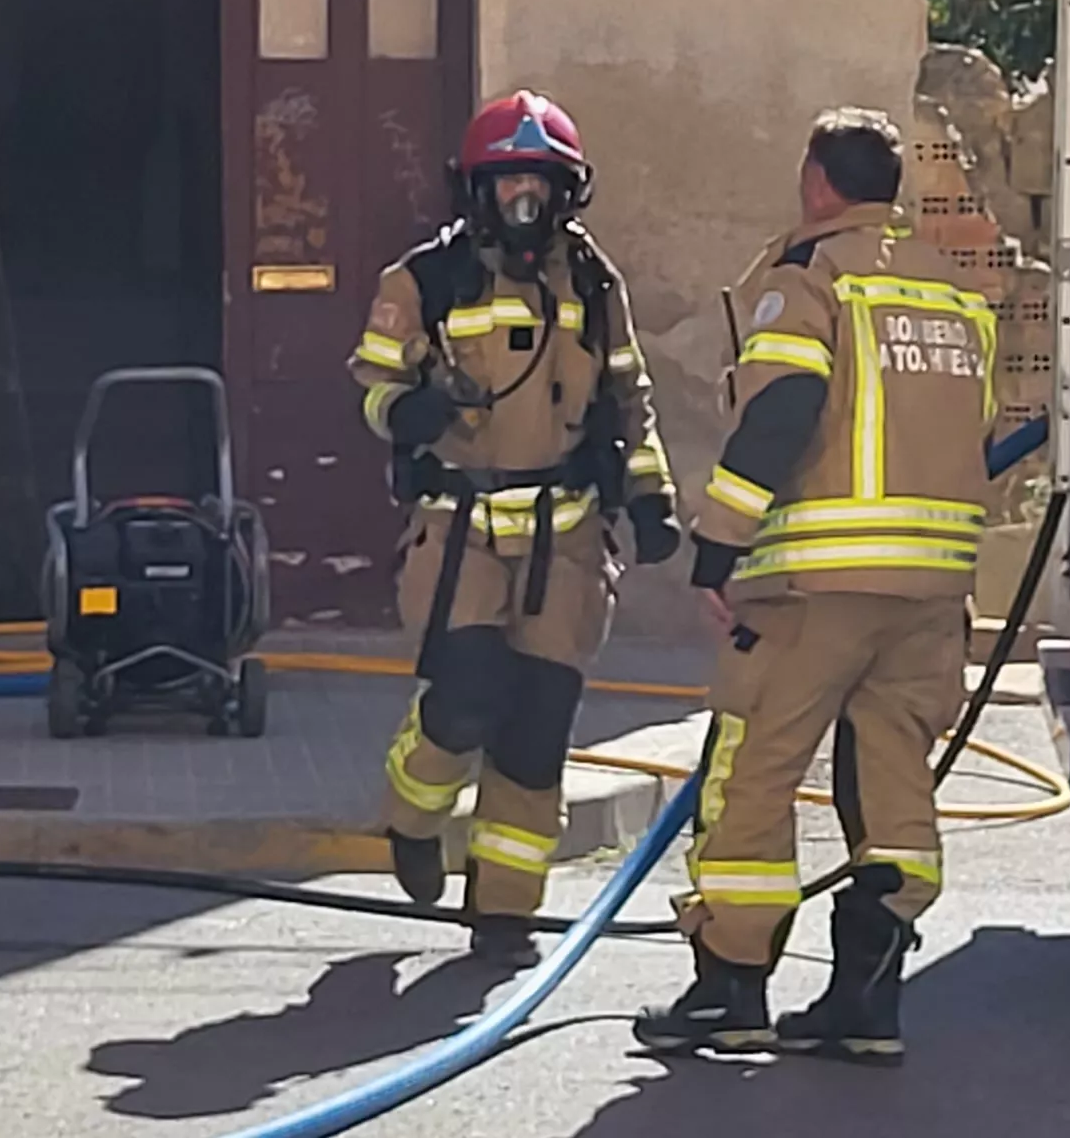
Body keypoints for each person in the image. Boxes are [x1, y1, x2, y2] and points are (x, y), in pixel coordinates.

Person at [636, 108, 993, 1065]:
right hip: (931, 588)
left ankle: (730, 987)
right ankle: (867, 1002)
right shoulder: (954, 291)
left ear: (817, 182)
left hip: (816, 585)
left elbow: (782, 409)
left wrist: (719, 543)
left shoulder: (811, 277)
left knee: (751, 769)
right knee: (892, 781)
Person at [352, 90, 676, 966]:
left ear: (567, 191)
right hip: (459, 532)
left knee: (536, 732)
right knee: (466, 699)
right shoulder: (423, 281)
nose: (524, 201)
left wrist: (651, 495)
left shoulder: (595, 285)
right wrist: (408, 411)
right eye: (508, 183)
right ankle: (412, 815)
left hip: (565, 542)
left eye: (540, 183)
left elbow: (629, 399)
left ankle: (504, 911)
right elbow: (373, 383)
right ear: (477, 190)